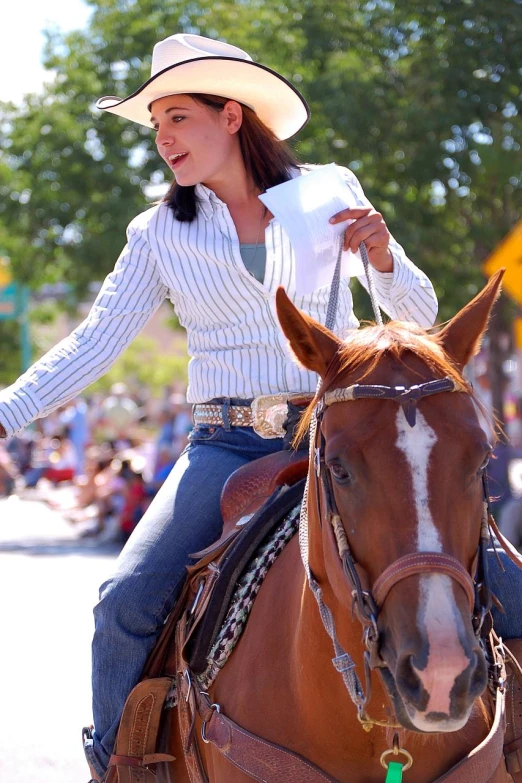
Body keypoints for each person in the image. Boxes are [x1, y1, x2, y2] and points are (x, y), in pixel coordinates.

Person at [0, 32, 519, 782]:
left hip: (346, 438)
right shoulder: (156, 235)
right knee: (124, 599)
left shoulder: (331, 190)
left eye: (178, 117)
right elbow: (92, 345)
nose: (164, 138)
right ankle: (121, 766)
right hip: (225, 446)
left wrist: (381, 257)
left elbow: (421, 313)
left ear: (232, 115)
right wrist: (6, 413)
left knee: (505, 581)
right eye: (156, 126)